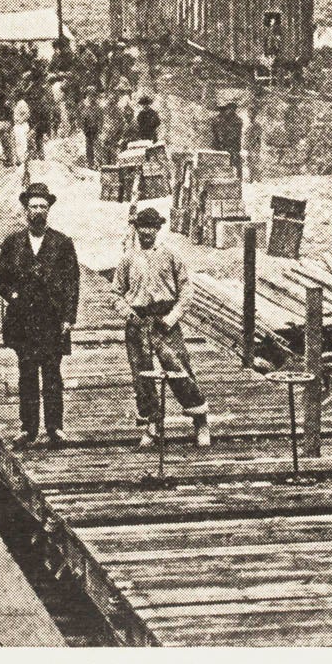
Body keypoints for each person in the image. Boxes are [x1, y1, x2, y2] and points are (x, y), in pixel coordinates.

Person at [112, 207, 211, 448]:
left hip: (165, 322)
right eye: (142, 227)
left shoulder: (171, 256)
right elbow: (115, 293)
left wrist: (173, 317)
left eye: (152, 227)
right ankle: (152, 423)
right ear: (136, 229)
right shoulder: (128, 259)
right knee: (142, 375)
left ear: (158, 229)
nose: (147, 232)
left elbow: (186, 291)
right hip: (138, 323)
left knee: (179, 369)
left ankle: (200, 421)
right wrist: (128, 312)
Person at [0, 183, 80, 449]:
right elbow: (0, 279)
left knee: (53, 374)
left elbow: (72, 283)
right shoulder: (13, 243)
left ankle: (55, 428)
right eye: (34, 206)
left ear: (49, 209)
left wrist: (68, 318)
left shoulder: (62, 243)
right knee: (27, 374)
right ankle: (28, 429)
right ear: (25, 209)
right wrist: (14, 297)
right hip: (23, 321)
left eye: (43, 206)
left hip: (52, 321)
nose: (38, 211)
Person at [211, 100, 244, 178]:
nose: (223, 112)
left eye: (232, 109)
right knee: (218, 166)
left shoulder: (237, 120)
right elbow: (214, 133)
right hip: (219, 146)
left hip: (232, 147)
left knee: (236, 163)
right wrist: (218, 143)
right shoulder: (217, 119)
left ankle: (237, 181)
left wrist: (226, 144)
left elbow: (235, 136)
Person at [78, 86, 103, 168]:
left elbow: (100, 118)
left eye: (93, 95)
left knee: (97, 146)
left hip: (95, 128)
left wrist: (100, 128)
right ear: (87, 95)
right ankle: (90, 163)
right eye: (90, 95)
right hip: (88, 129)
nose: (92, 97)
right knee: (89, 146)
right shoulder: (84, 106)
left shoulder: (98, 107)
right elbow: (82, 119)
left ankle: (98, 163)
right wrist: (84, 129)